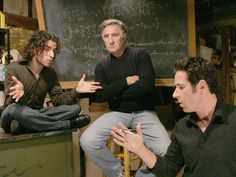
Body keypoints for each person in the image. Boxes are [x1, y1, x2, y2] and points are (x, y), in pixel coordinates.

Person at [112, 57, 236, 177]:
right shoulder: (183, 127)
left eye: (181, 87)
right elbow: (169, 170)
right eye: (175, 87)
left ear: (201, 87)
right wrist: (141, 149)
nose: (175, 94)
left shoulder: (233, 120)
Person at [80, 19, 171, 177]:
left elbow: (146, 87)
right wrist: (126, 81)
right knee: (87, 140)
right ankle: (119, 172)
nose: (111, 39)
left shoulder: (140, 55)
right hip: (117, 114)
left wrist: (113, 92)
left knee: (167, 150)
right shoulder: (102, 66)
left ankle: (142, 175)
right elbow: (99, 96)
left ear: (124, 36)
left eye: (115, 34)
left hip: (145, 113)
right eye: (106, 36)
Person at [1, 31, 102, 135]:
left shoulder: (50, 73)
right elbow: (14, 106)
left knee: (76, 108)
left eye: (54, 50)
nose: (52, 55)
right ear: (35, 48)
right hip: (14, 115)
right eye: (47, 49)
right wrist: (20, 95)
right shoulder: (13, 68)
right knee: (13, 109)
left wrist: (76, 90)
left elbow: (58, 100)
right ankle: (65, 125)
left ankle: (30, 126)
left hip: (37, 114)